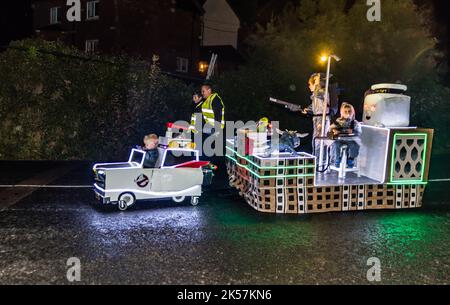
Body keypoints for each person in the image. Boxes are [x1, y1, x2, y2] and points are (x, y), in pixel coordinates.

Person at [330, 103, 361, 168]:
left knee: (354, 146)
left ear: (352, 112)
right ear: (342, 112)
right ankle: (337, 159)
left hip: (350, 140)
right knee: (335, 145)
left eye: (349, 111)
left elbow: (358, 132)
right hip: (340, 139)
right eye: (345, 111)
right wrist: (334, 130)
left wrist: (353, 131)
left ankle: (351, 159)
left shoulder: (354, 122)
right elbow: (331, 127)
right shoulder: (339, 120)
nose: (348, 113)